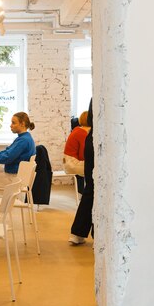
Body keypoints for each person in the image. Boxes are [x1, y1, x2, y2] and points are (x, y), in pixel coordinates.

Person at [69, 100, 94, 245]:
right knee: (93, 189)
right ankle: (96, 235)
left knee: (90, 189)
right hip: (96, 142)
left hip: (92, 142)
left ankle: (78, 233)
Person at [63, 111, 90, 177]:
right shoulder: (83, 133)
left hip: (68, 163)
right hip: (72, 164)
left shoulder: (78, 130)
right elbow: (83, 155)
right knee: (97, 167)